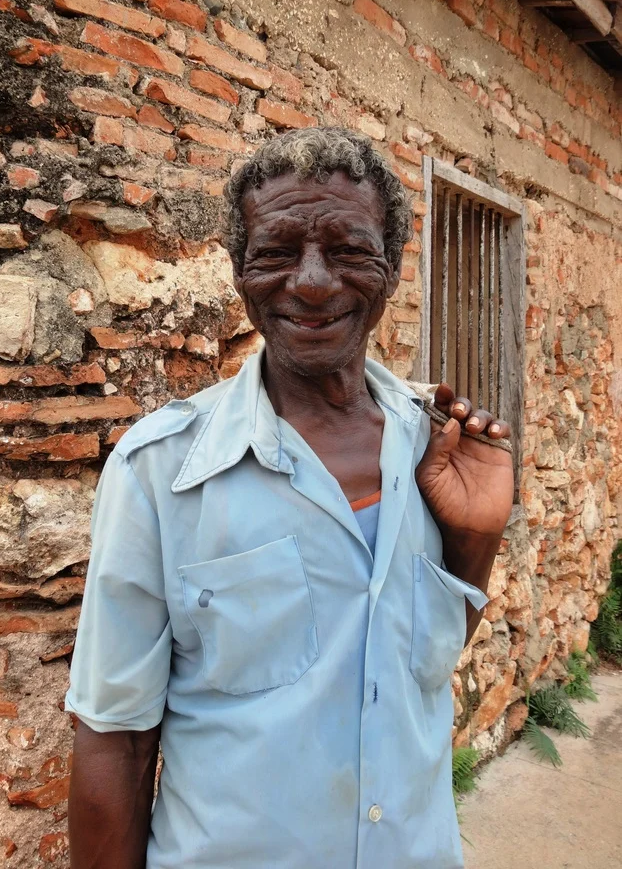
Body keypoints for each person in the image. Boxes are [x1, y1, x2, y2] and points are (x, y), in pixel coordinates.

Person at [66, 127, 514, 868]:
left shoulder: (435, 445)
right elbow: (116, 738)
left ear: (393, 268)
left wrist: (475, 538)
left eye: (347, 251)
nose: (310, 282)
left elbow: (411, 667)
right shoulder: (163, 471)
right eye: (276, 252)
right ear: (239, 271)